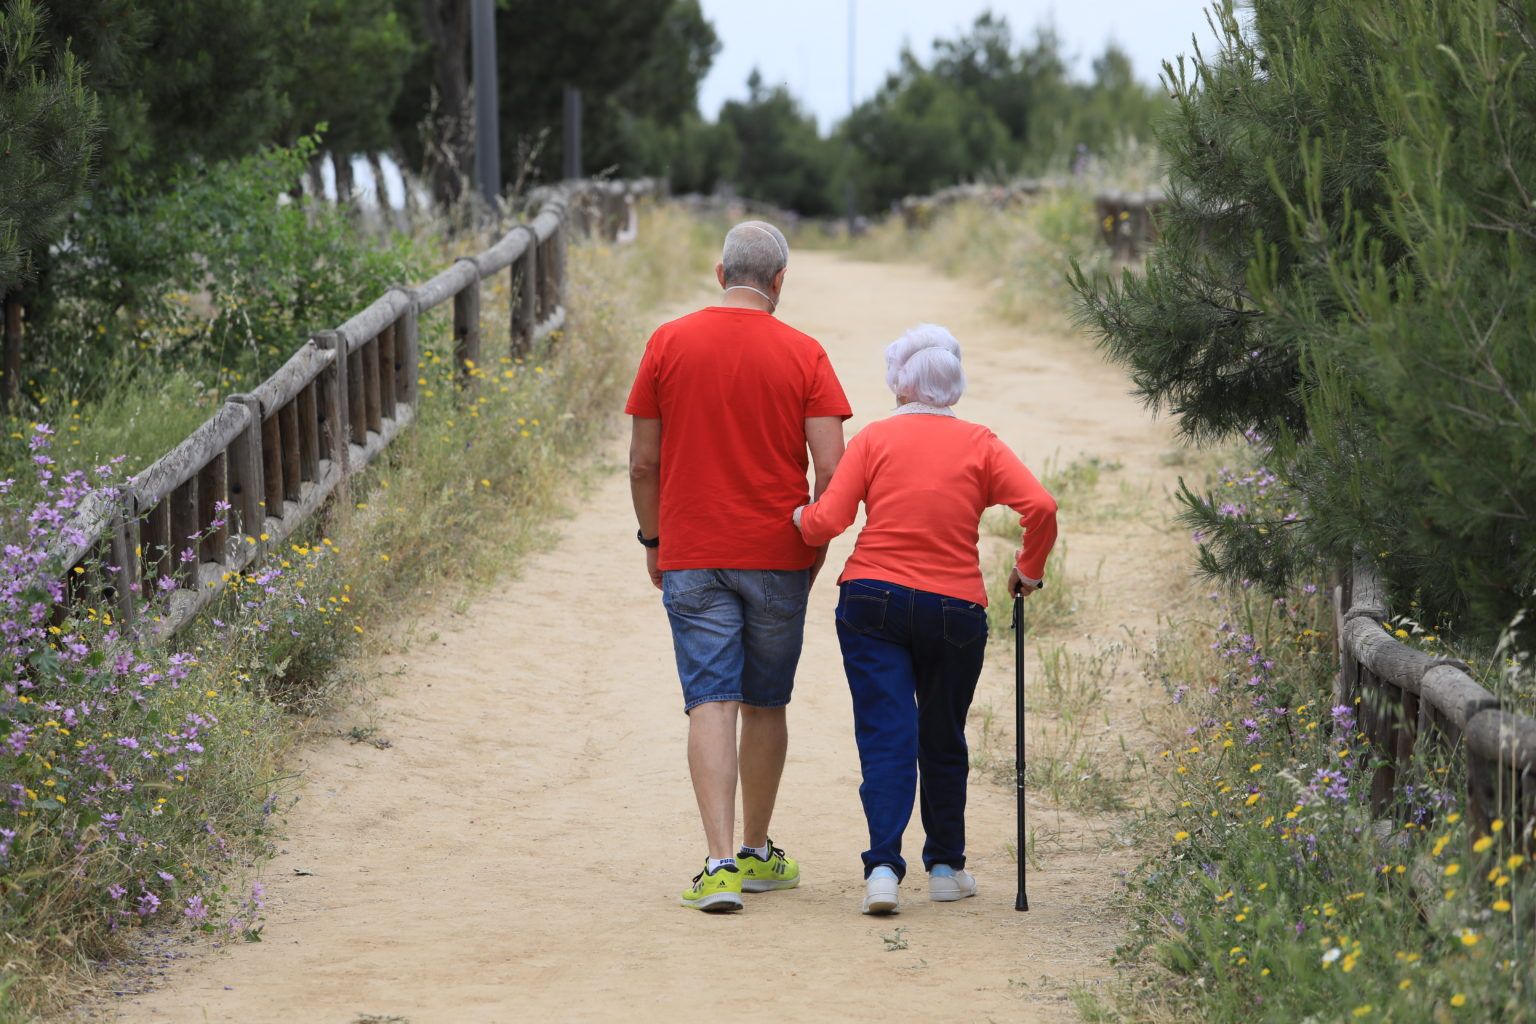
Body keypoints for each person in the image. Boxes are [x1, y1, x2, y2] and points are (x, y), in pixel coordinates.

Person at [793, 324, 1057, 915]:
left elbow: (828, 521)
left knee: (887, 735)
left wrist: (799, 522)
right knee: (942, 734)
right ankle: (944, 866)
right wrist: (1028, 569)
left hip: (872, 600)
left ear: (899, 382)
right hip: (954, 611)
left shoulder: (874, 439)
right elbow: (1041, 506)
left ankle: (883, 872)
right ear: (954, 386)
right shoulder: (982, 443)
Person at [627, 221, 852, 912]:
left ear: (721, 273)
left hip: (693, 553)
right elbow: (834, 472)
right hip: (778, 556)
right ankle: (758, 851)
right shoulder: (806, 354)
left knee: (710, 698)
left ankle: (718, 863)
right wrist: (810, 545)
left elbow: (643, 461)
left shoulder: (667, 343)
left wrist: (654, 542)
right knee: (765, 701)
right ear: (778, 282)